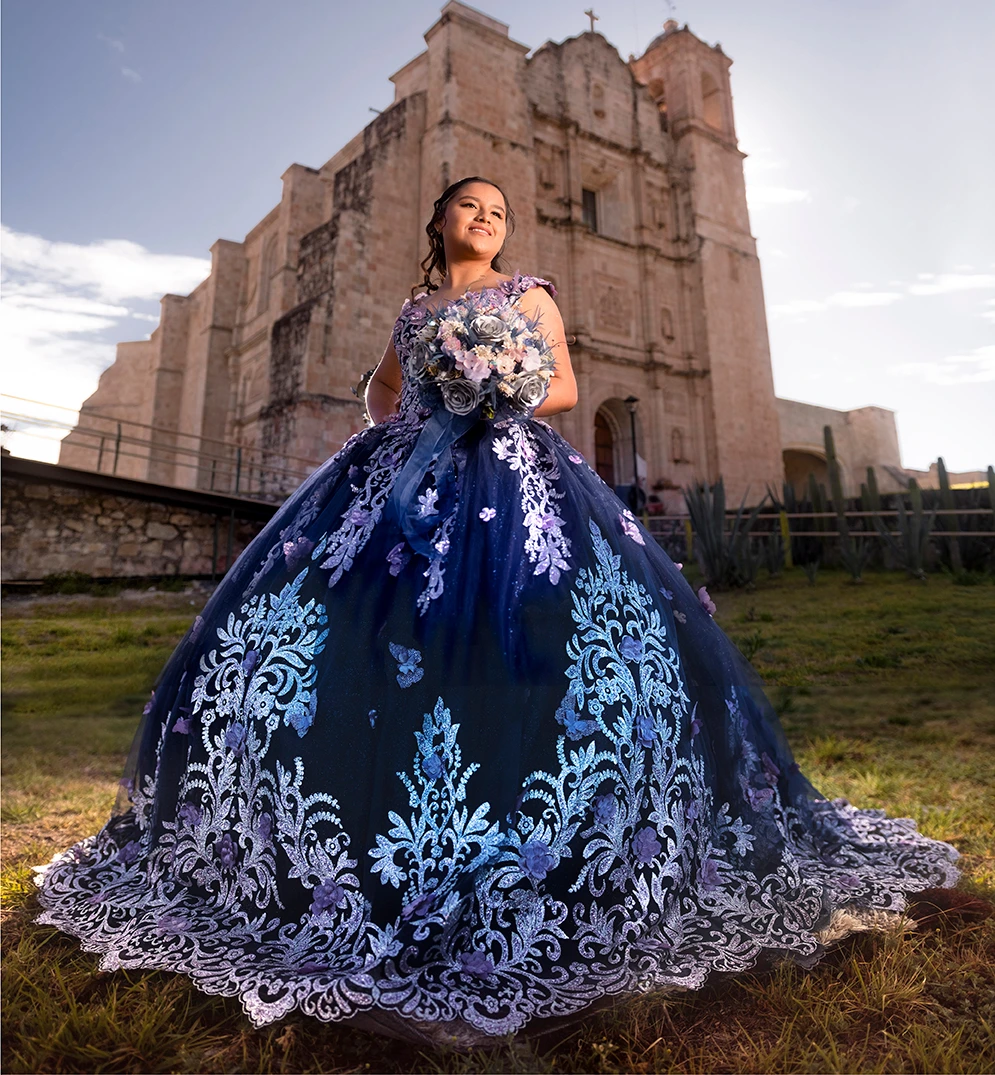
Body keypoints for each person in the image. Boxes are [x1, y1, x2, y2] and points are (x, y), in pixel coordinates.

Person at [35, 176, 960, 1047]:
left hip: (513, 478)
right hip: (407, 473)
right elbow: (384, 390)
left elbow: (559, 388)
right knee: (359, 638)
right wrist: (399, 423)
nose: (484, 218)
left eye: (497, 210)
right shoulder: (413, 310)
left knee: (548, 636)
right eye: (468, 207)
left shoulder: (529, 293)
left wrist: (494, 386)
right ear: (438, 224)